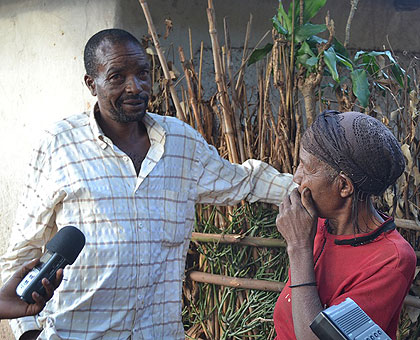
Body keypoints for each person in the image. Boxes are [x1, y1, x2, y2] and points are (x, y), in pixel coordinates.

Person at [1, 28, 295, 340]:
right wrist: (27, 333)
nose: (136, 87)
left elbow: (244, 182)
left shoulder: (181, 142)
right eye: (117, 76)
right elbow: (22, 251)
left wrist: (310, 191)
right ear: (91, 84)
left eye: (143, 73)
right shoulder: (60, 145)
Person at [274, 110, 416, 340]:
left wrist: (299, 248)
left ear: (344, 186)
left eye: (306, 168)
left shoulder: (392, 260)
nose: (296, 177)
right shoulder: (317, 224)